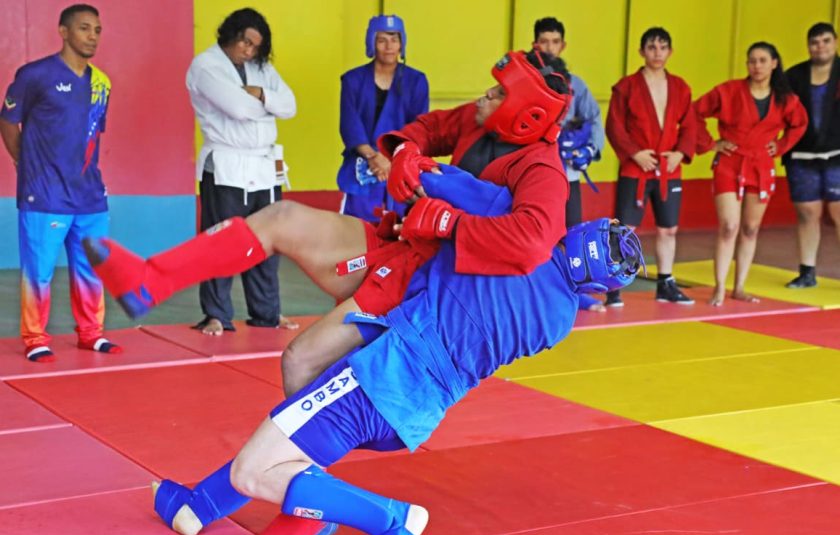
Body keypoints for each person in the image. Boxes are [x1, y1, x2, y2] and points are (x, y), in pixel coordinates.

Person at [148, 173, 644, 535]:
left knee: (254, 469)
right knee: (287, 453)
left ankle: (391, 519)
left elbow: (435, 182)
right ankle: (197, 507)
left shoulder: (505, 228)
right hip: (414, 414)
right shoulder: (559, 320)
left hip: (377, 379)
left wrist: (413, 170)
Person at [85, 49, 573, 399]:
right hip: (404, 247)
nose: (485, 95)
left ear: (523, 114)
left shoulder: (543, 171)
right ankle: (150, 280)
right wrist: (405, 153)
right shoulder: (479, 119)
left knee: (300, 361)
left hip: (437, 287)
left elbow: (531, 242)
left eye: (498, 92)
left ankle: (300, 478)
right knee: (281, 217)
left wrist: (447, 221)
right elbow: (427, 128)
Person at [0, 4, 122, 363]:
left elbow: (90, 137)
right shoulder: (34, 75)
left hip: (90, 195)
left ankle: (91, 333)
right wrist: (25, 162)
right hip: (45, 194)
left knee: (91, 269)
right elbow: (8, 122)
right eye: (84, 28)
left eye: (97, 30)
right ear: (63, 32)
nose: (92, 36)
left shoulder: (102, 83)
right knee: (38, 272)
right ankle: (35, 337)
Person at [187, 8, 298, 337]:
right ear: (230, 34)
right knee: (221, 242)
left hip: (264, 166)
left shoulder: (261, 68)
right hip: (226, 165)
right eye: (245, 42)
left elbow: (290, 106)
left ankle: (267, 313)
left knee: (267, 243)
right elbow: (237, 108)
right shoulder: (206, 66)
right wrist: (267, 106)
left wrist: (261, 94)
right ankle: (216, 315)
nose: (249, 51)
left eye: (256, 46)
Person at [695, 42, 808, 305]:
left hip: (761, 165)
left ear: (774, 64)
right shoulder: (728, 91)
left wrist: (781, 145)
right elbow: (694, 112)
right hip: (730, 162)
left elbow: (799, 124)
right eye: (752, 61)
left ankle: (740, 287)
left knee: (750, 228)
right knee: (728, 226)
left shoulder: (786, 99)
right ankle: (719, 287)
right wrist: (711, 144)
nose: (756, 66)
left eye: (762, 60)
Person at [605, 26, 697, 308]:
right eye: (652, 47)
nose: (657, 53)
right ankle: (614, 285)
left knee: (668, 229)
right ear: (641, 51)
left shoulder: (680, 87)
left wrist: (680, 153)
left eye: (662, 47)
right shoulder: (626, 86)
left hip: (669, 168)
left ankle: (666, 283)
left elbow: (690, 124)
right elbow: (615, 126)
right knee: (625, 229)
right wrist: (634, 153)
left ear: (670, 52)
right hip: (636, 168)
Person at [533, 16, 606, 312]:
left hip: (568, 172)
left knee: (572, 233)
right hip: (534, 172)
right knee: (536, 232)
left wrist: (590, 148)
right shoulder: (526, 78)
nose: (549, 47)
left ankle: (576, 292)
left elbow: (594, 118)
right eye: (544, 41)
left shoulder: (576, 85)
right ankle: (535, 293)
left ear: (562, 45)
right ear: (535, 45)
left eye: (554, 42)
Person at [337, 14, 429, 222]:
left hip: (401, 163)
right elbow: (350, 124)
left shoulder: (416, 81)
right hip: (362, 164)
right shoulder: (353, 80)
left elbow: (419, 127)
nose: (389, 47)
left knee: (400, 225)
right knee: (356, 227)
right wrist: (373, 156)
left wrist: (391, 159)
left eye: (394, 40)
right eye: (382, 40)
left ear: (402, 44)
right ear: (372, 43)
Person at [783, 23, 840, 288]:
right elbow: (778, 112)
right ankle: (807, 272)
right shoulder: (793, 76)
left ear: (835, 42)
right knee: (807, 213)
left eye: (826, 41)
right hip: (802, 155)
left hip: (837, 154)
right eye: (815, 42)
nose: (820, 47)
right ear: (808, 46)